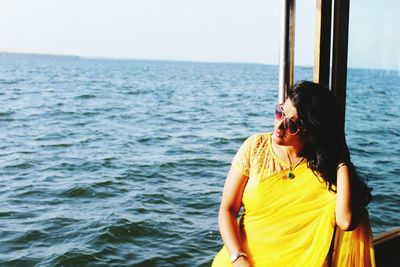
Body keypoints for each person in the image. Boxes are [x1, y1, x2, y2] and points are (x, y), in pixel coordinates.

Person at [212, 81, 375, 266]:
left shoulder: (327, 169)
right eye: (280, 112)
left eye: (291, 124)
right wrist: (238, 258)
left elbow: (346, 221)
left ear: (313, 130)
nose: (279, 125)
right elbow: (227, 209)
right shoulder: (255, 147)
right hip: (241, 260)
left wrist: (341, 156)